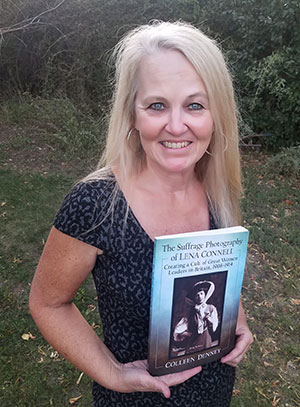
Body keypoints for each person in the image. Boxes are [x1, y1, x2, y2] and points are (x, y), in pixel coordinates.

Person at [29, 21, 253, 407]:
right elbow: (48, 303)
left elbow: (213, 272)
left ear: (216, 115)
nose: (177, 125)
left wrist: (236, 319)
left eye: (195, 105)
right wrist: (112, 373)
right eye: (157, 105)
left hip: (214, 389)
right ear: (132, 114)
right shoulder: (97, 204)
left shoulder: (214, 187)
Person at [173, 281, 219, 356]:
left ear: (205, 294)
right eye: (197, 295)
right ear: (194, 298)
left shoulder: (210, 308)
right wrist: (187, 334)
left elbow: (214, 326)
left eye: (201, 294)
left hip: (205, 339)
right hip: (193, 342)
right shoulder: (191, 313)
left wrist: (208, 319)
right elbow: (178, 329)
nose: (200, 297)